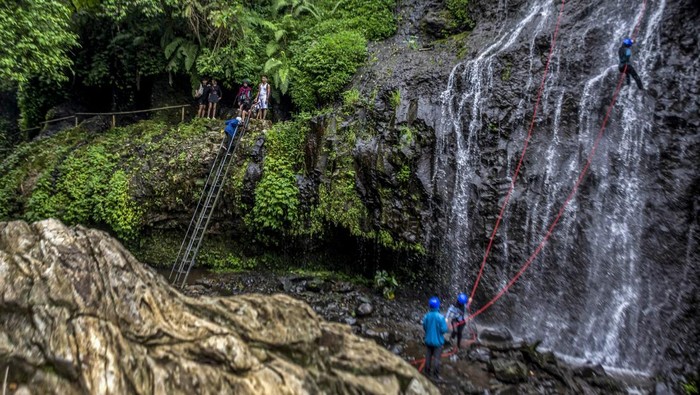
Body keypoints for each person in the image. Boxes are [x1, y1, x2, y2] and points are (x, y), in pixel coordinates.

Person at [422, 296, 448, 380]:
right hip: (438, 342)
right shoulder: (441, 317)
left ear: (430, 306)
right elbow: (444, 330)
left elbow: (425, 327)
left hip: (428, 341)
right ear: (438, 306)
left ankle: (426, 373)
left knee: (428, 357)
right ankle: (436, 376)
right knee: (437, 359)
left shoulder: (426, 316)